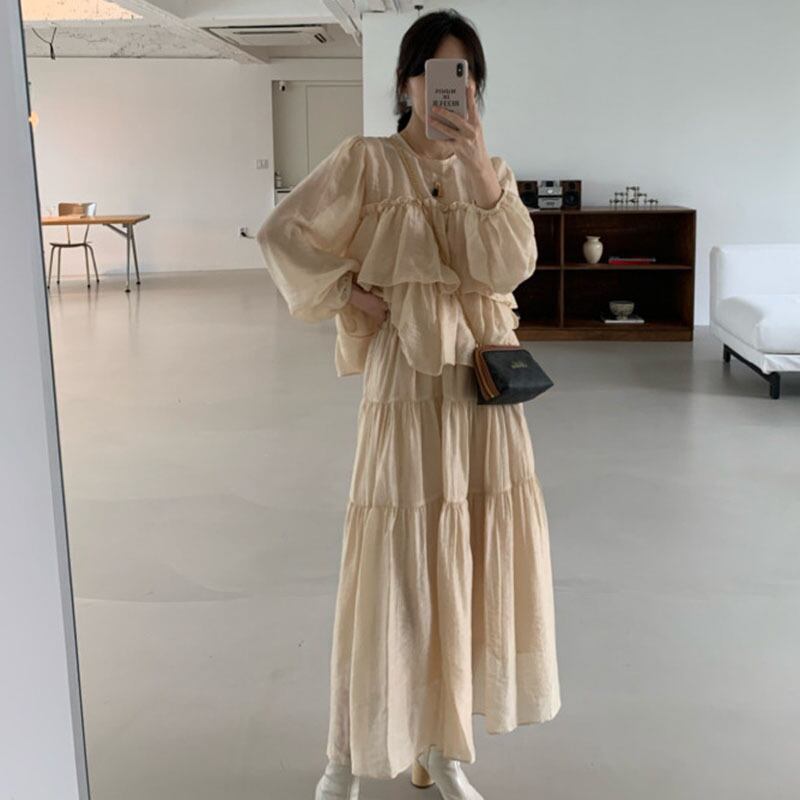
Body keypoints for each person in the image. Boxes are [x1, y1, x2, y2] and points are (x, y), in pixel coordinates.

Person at [256, 10, 561, 800]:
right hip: (405, 387)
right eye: (435, 73)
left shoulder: (493, 174)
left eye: (465, 77)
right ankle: (346, 753)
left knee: (463, 567)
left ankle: (443, 750)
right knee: (391, 566)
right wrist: (350, 292)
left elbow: (512, 268)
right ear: (406, 82)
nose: (449, 90)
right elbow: (283, 233)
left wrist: (480, 171)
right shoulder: (366, 162)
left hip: (482, 398)